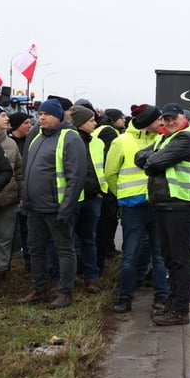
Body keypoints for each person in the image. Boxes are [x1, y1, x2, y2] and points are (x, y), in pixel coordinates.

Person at [135, 103, 190, 326]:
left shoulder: (186, 138)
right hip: (166, 205)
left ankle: (180, 310)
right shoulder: (165, 139)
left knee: (179, 259)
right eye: (166, 118)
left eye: (174, 118)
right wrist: (153, 160)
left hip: (180, 204)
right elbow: (139, 157)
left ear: (183, 118)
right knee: (171, 259)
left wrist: (153, 161)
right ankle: (173, 304)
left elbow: (155, 161)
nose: (170, 122)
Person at [16, 98, 86, 309]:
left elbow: (76, 176)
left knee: (64, 249)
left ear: (59, 116)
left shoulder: (70, 137)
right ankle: (39, 289)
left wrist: (67, 207)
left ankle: (65, 292)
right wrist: (26, 200)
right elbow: (28, 171)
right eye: (40, 114)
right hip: (35, 207)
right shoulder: (37, 136)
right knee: (35, 248)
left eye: (47, 114)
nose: (42, 118)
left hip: (56, 207)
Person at [105, 103, 169, 315]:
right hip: (133, 207)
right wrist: (122, 195)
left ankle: (160, 296)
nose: (161, 122)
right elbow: (110, 173)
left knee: (159, 255)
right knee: (130, 254)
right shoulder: (121, 141)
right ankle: (126, 297)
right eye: (157, 119)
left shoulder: (162, 140)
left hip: (157, 204)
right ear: (146, 122)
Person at [69, 105, 106, 294]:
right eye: (91, 120)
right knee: (69, 240)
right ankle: (70, 276)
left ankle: (91, 277)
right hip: (73, 199)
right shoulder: (69, 141)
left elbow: (101, 167)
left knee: (89, 238)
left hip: (93, 198)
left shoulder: (97, 142)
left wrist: (100, 191)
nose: (95, 123)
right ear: (80, 122)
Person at [94, 107, 126, 265]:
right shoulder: (110, 132)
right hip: (107, 183)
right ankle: (108, 248)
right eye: (121, 117)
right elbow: (110, 159)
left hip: (100, 181)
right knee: (109, 218)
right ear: (114, 119)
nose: (124, 120)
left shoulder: (100, 129)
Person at [0, 106, 23, 291]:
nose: (7, 119)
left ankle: (1, 274)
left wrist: (21, 194)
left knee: (5, 238)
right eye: (3, 115)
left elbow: (19, 171)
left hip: (8, 199)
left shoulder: (11, 144)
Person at [8, 111, 32, 270]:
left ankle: (29, 262)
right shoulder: (7, 143)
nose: (30, 126)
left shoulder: (32, 142)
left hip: (26, 192)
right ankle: (5, 265)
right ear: (17, 125)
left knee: (27, 229)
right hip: (9, 192)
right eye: (26, 123)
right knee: (7, 232)